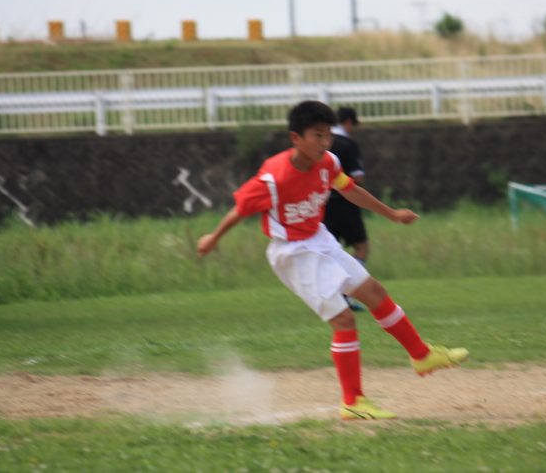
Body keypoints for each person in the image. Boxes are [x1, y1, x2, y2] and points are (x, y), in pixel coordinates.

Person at [196, 100, 467, 420]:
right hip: (292, 252)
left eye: (328, 134)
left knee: (375, 293)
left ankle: (421, 355)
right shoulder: (273, 178)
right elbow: (240, 210)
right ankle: (353, 402)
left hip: (319, 239)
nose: (325, 142)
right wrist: (214, 237)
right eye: (317, 135)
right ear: (296, 138)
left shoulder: (328, 163)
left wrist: (392, 214)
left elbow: (350, 190)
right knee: (343, 320)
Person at [324, 107, 368, 311]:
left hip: (321, 204)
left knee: (332, 250)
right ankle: (347, 295)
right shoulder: (348, 144)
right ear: (348, 122)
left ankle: (333, 295)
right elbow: (357, 177)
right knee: (361, 247)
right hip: (345, 203)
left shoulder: (319, 144)